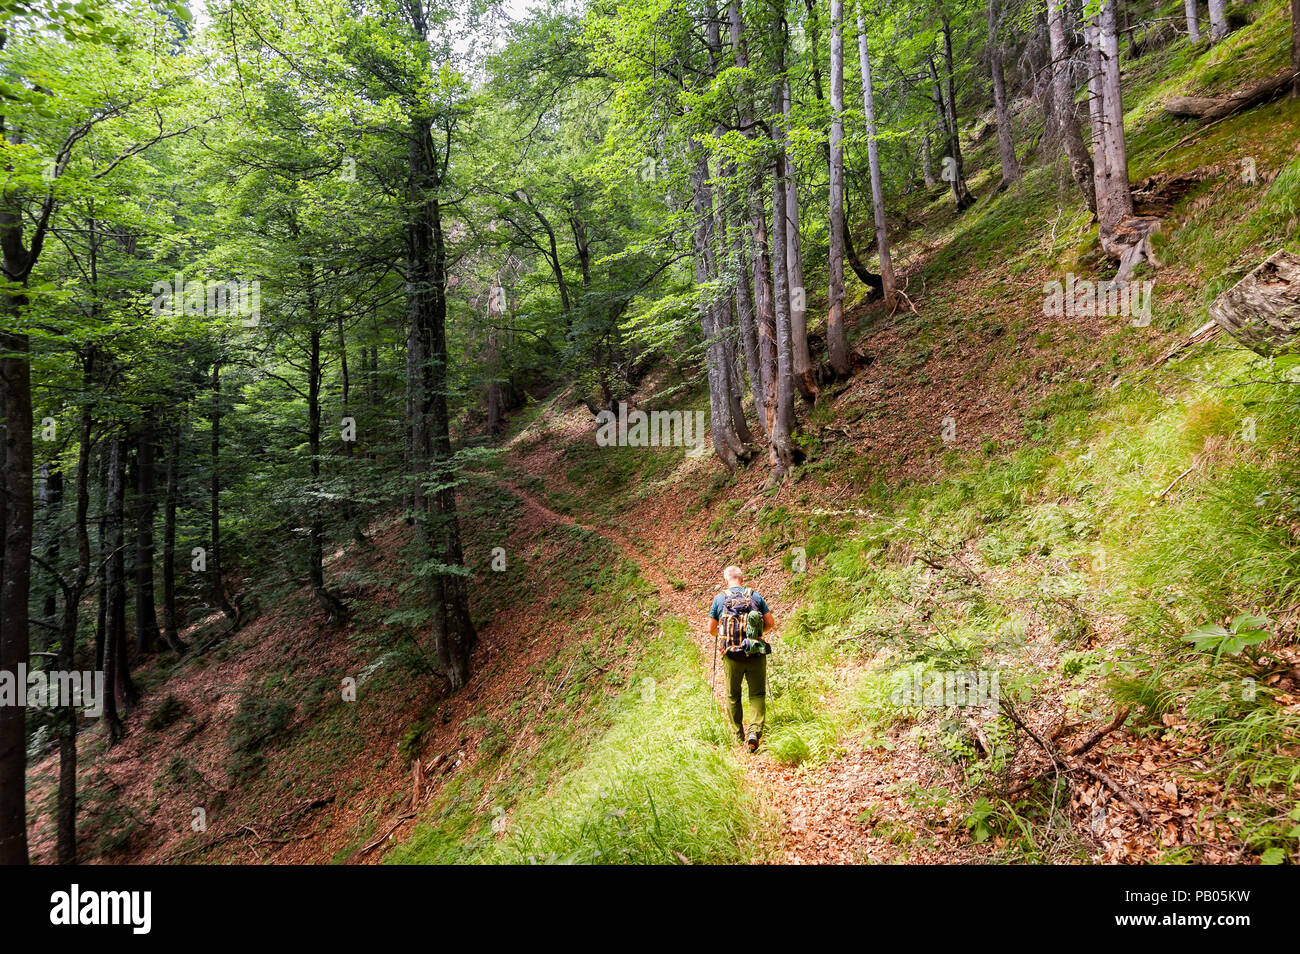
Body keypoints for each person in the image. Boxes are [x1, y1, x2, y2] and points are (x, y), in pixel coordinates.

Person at [707, 565, 775, 752]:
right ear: (742, 579)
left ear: (726, 580)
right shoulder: (755, 596)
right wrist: (758, 634)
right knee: (757, 694)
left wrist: (722, 636)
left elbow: (711, 628)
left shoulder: (720, 599)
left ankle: (738, 736)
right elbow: (770, 623)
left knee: (733, 695)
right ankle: (755, 731)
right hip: (756, 653)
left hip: (731, 655)